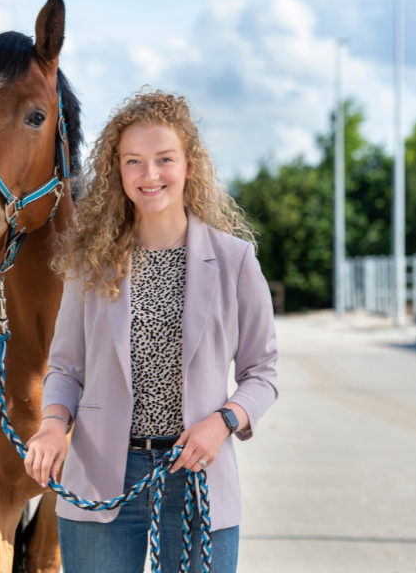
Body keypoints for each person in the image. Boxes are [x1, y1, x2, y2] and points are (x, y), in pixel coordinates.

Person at [23, 88, 279, 573]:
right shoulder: (88, 262)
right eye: (133, 161)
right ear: (116, 171)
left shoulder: (235, 261)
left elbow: (261, 373)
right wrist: (54, 424)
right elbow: (66, 368)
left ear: (188, 165)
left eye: (164, 158)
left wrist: (222, 422)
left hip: (198, 476)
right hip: (101, 477)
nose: (150, 174)